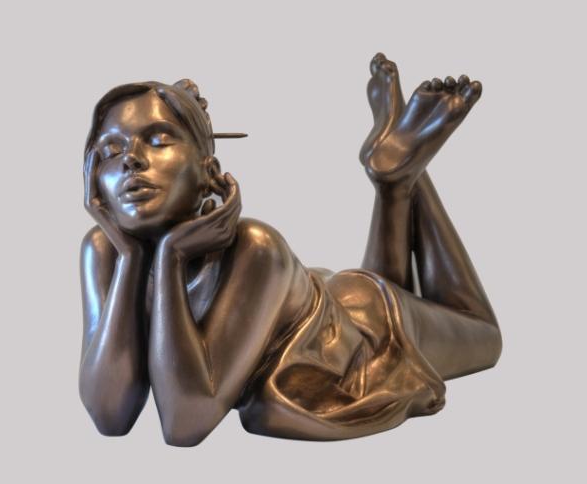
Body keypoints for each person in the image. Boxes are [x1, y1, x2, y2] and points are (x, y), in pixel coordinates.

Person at [78, 52, 502, 446]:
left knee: (484, 334)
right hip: (332, 317)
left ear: (209, 173)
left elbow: (185, 422)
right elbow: (110, 416)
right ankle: (395, 178)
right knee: (386, 283)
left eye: (157, 140)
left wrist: (170, 256)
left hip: (368, 326)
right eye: (111, 150)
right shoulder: (104, 251)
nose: (130, 160)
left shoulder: (255, 246)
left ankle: (403, 177)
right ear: (94, 180)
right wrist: (132, 258)